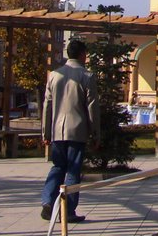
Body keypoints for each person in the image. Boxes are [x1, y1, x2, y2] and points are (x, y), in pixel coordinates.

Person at [41, 39, 100, 223]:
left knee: (58, 166)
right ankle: (69, 211)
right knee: (73, 170)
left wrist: (45, 132)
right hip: (77, 129)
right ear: (82, 54)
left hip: (58, 129)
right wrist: (95, 133)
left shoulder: (54, 75)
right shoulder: (87, 76)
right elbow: (92, 107)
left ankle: (47, 201)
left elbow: (47, 106)